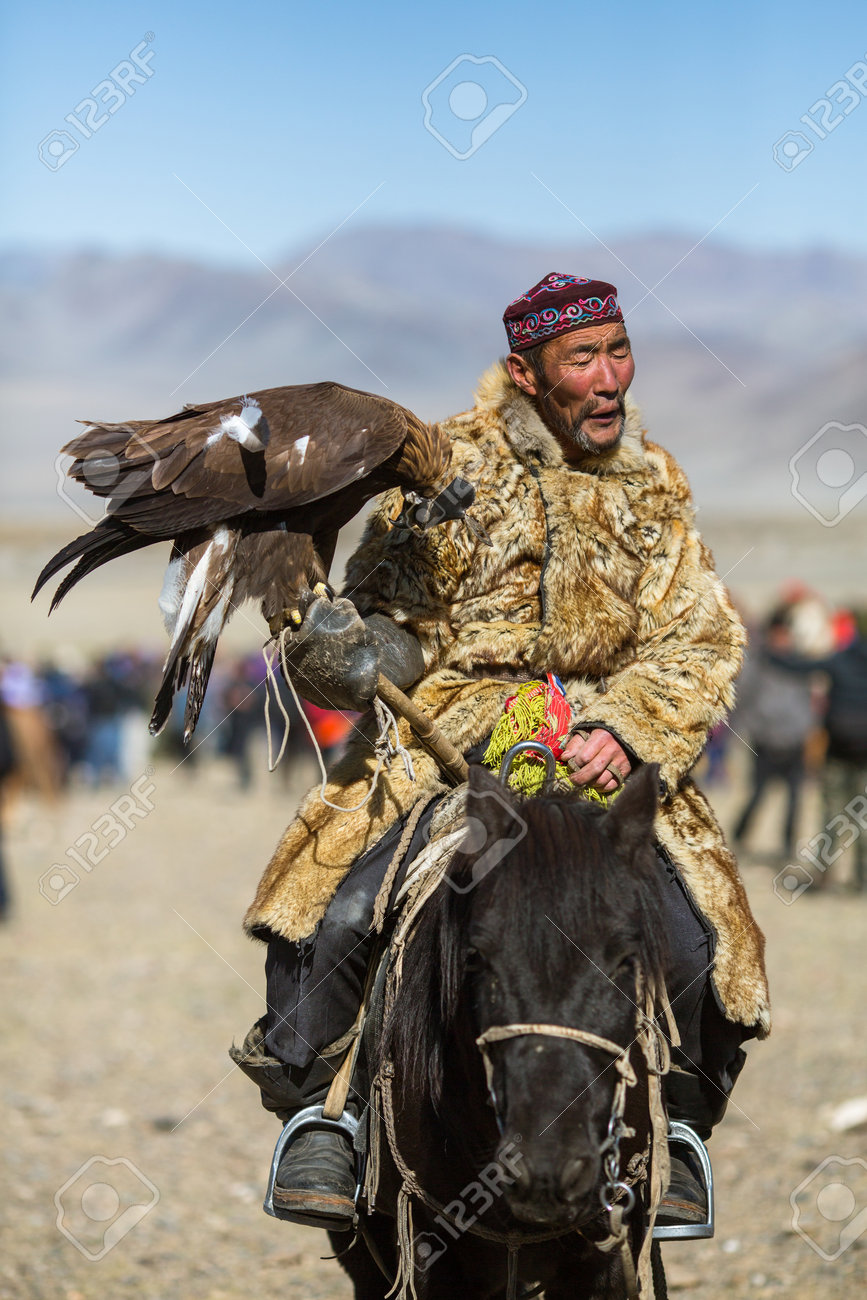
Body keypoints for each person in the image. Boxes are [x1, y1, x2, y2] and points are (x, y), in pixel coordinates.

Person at [231, 273, 770, 1233]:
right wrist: (349, 653)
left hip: (610, 757)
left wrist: (628, 730)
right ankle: (328, 1114)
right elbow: (396, 625)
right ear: (525, 372)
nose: (609, 377)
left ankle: (679, 1130)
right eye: (582, 358)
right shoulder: (443, 470)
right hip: (451, 743)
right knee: (336, 911)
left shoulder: (654, 485)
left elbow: (696, 639)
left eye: (618, 350)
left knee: (701, 945)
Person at [731, 607, 816, 861]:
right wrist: (753, 728)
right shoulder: (758, 663)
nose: (782, 639)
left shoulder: (800, 664)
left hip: (794, 742)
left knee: (795, 798)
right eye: (778, 634)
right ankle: (738, 836)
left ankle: (788, 846)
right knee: (758, 794)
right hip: (765, 742)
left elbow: (809, 700)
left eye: (785, 634)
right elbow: (742, 698)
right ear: (770, 635)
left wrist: (807, 728)